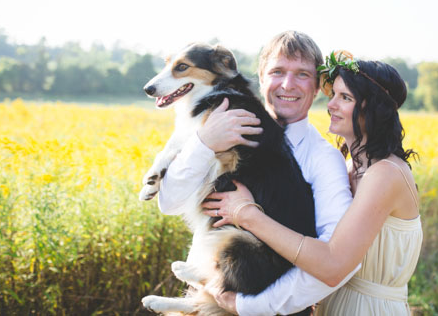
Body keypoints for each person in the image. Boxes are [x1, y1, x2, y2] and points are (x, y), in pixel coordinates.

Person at [203, 51, 423, 315]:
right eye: (333, 95)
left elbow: (332, 263)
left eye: (345, 98)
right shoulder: (351, 167)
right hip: (332, 305)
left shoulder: (385, 173)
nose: (331, 105)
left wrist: (246, 213)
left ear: (374, 108)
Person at [156, 32, 358, 315]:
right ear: (261, 77)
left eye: (302, 74)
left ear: (317, 87)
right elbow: (169, 203)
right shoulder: (219, 124)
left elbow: (332, 260)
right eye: (277, 71)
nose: (287, 84)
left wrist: (247, 305)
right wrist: (205, 143)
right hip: (201, 299)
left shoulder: (324, 160)